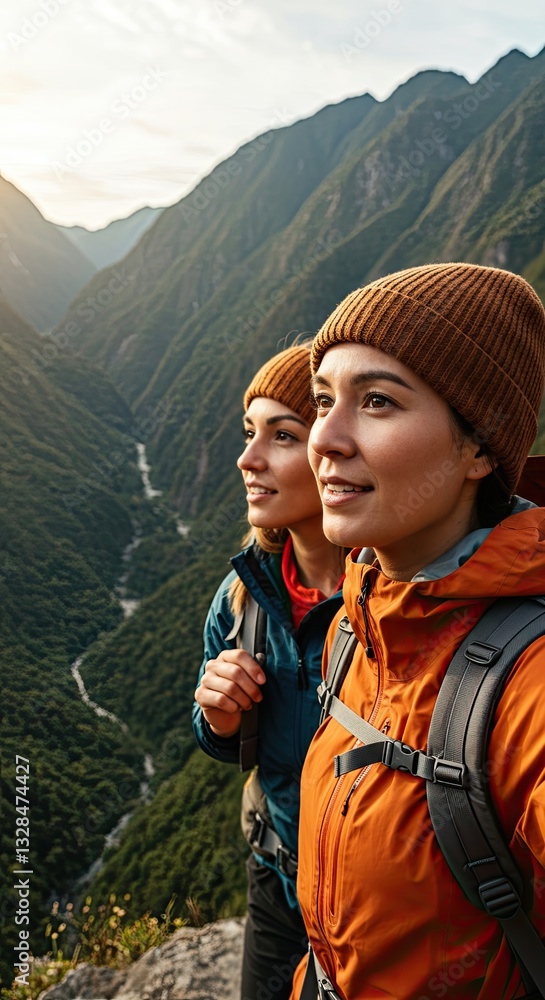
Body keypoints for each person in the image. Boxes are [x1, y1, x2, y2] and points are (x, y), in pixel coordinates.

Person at [291, 263, 545, 1000]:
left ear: (477, 450)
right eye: (321, 401)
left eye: (376, 402)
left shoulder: (526, 684)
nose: (326, 439)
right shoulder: (358, 622)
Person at [192, 344, 347, 1000]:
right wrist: (218, 717)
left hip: (371, 903)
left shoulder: (392, 604)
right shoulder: (243, 595)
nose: (247, 459)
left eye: (282, 435)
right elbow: (221, 736)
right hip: (279, 878)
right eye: (249, 433)